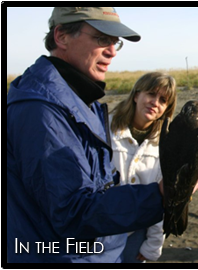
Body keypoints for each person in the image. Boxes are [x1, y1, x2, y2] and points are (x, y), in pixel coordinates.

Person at [7, 7, 164, 263]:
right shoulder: (41, 109)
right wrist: (159, 195)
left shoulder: (80, 97)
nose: (112, 51)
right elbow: (72, 211)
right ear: (62, 36)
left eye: (115, 42)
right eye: (102, 38)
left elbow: (96, 185)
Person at [109, 72, 177, 263]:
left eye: (163, 100)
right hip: (101, 229)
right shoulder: (105, 128)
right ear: (136, 95)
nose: (155, 102)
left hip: (137, 233)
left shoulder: (165, 144)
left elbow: (163, 200)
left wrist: (154, 244)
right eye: (151, 94)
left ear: (166, 109)